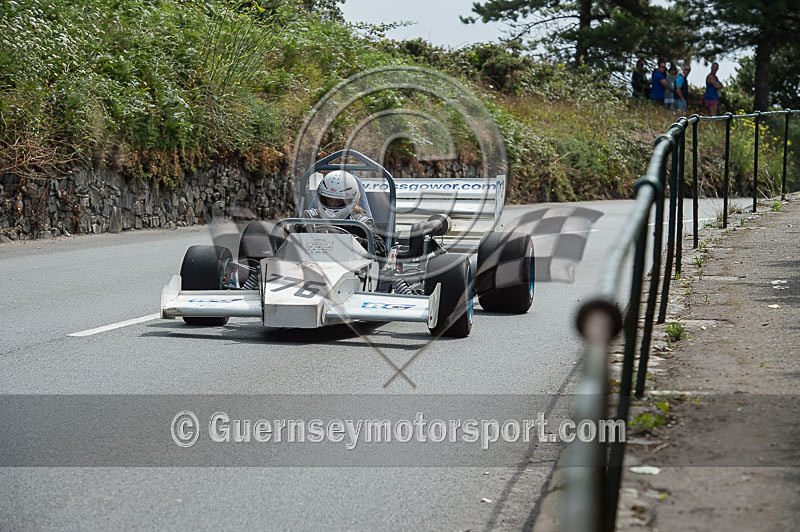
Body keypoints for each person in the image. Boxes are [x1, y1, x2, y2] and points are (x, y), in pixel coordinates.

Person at [303, 170, 387, 256]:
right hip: (311, 263)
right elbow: (290, 241)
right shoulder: (311, 218)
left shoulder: (360, 223)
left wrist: (356, 241)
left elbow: (381, 248)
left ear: (351, 200)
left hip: (352, 266)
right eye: (328, 199)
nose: (332, 204)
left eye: (338, 201)